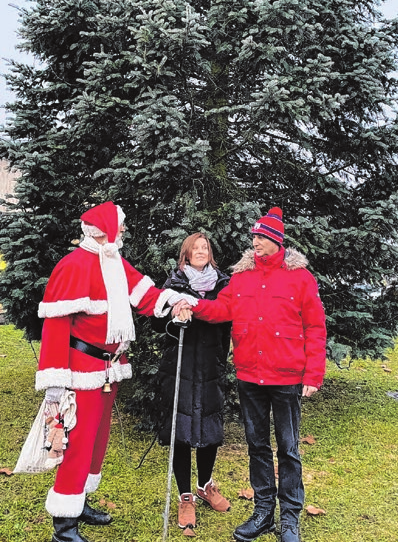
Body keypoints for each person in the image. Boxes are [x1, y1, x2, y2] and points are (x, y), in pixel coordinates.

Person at [35, 201, 196, 542]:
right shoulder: (73, 265)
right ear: (106, 229)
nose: (124, 230)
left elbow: (146, 295)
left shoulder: (113, 262)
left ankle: (79, 502)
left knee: (96, 441)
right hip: (81, 371)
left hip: (109, 370)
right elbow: (56, 327)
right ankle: (64, 526)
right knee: (77, 442)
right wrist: (55, 381)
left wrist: (177, 302)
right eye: (121, 225)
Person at [173, 207, 326, 542]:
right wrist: (193, 304)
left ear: (276, 241)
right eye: (254, 237)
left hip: (286, 377)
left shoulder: (300, 278)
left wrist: (313, 374)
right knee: (257, 446)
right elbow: (221, 309)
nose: (255, 242)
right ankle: (263, 512)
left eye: (261, 237)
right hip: (250, 376)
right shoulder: (241, 277)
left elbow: (315, 327)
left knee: (287, 449)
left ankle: (289, 518)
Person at [151, 232, 231, 534]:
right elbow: (156, 320)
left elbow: (228, 319)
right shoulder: (174, 284)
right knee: (181, 430)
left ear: (210, 253)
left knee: (210, 430)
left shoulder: (223, 284)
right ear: (186, 254)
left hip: (210, 366)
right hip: (180, 368)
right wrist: (174, 312)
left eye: (205, 247)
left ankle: (205, 486)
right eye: (195, 248)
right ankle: (185, 495)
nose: (200, 251)